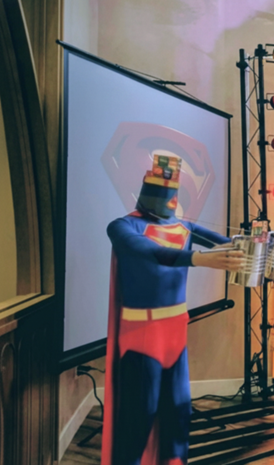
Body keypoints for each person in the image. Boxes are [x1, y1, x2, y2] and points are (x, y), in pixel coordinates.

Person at [102, 155, 243, 465]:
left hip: (175, 334)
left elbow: (234, 245)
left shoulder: (183, 226)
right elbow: (148, 251)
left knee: (178, 413)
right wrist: (198, 258)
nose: (169, 199)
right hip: (142, 337)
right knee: (140, 417)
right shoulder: (123, 226)